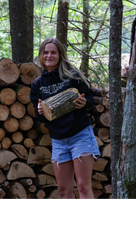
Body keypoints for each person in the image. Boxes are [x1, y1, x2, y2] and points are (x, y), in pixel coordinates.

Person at [30, 38, 100, 201]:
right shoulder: (37, 84)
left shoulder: (73, 75)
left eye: (53, 52)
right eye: (45, 52)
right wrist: (40, 111)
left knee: (83, 186)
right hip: (59, 141)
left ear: (60, 54)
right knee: (63, 190)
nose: (49, 55)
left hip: (80, 135)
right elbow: (39, 116)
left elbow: (89, 100)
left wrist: (84, 103)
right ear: (41, 55)